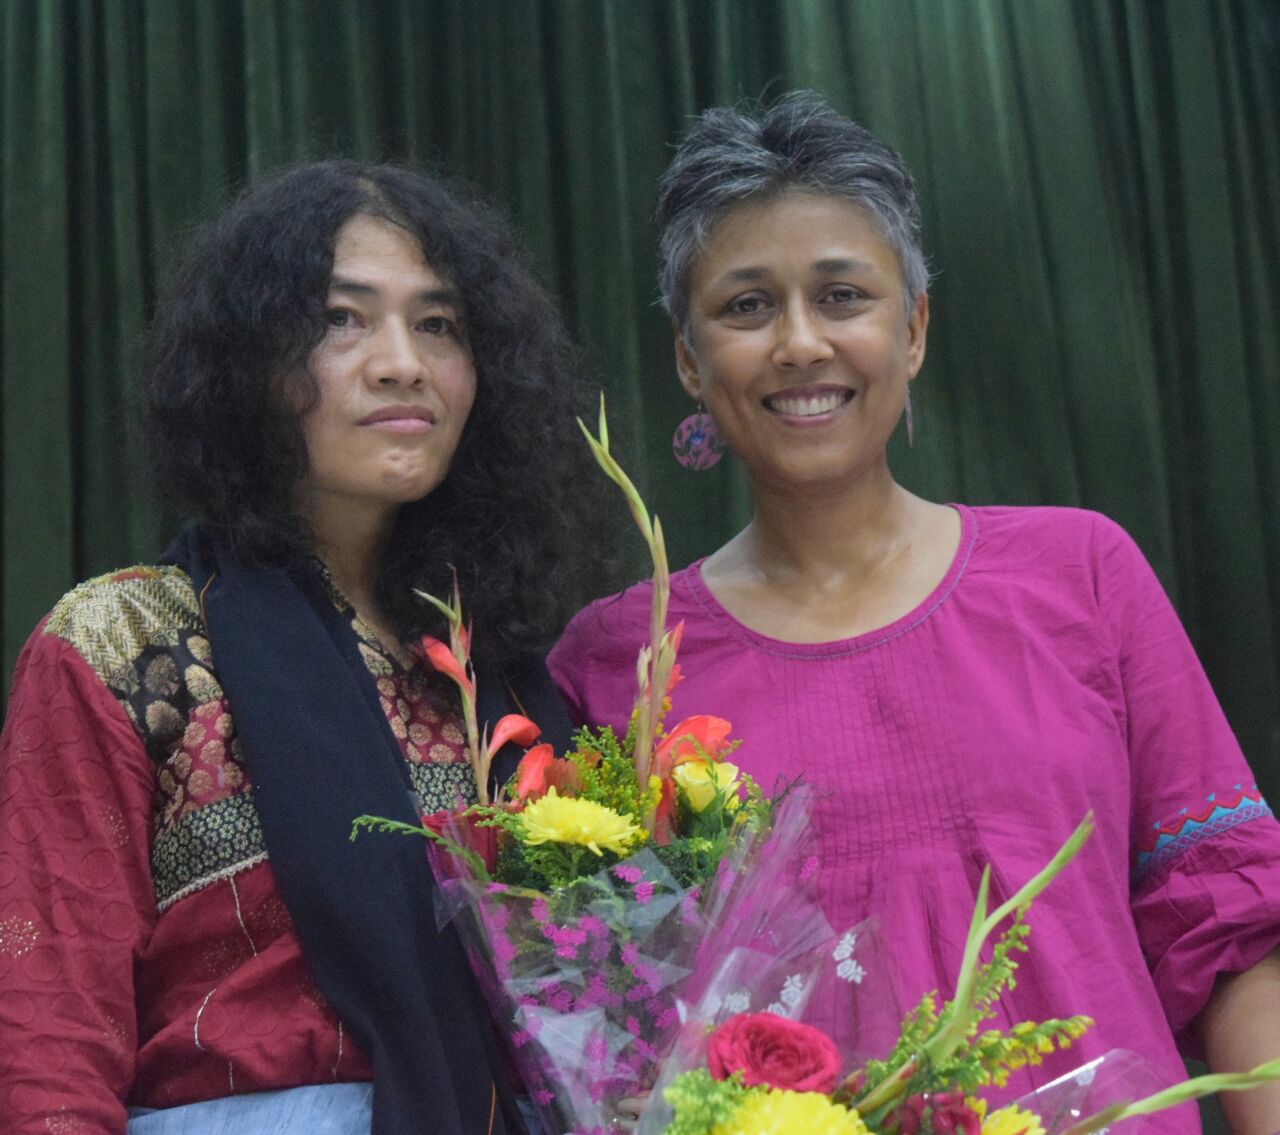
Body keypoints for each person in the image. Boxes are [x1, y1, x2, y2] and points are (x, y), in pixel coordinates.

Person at [549, 93, 1280, 1134]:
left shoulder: (1077, 573)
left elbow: (1232, 929)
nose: (800, 343)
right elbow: (607, 1035)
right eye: (746, 306)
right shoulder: (620, 659)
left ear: (914, 326)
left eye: (840, 294)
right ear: (686, 360)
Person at [0, 161, 602, 1134]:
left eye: (438, 324)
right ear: (247, 364)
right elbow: (46, 1043)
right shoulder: (131, 643)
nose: (400, 361)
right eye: (340, 318)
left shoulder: (513, 673)